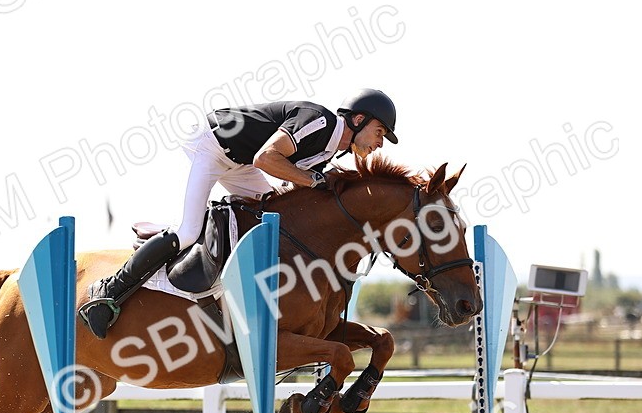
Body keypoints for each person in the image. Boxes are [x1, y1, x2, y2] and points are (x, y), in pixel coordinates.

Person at [78, 88, 400, 339]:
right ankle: (108, 292)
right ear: (358, 120)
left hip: (240, 162)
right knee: (188, 231)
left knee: (270, 215)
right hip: (213, 144)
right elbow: (266, 158)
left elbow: (289, 190)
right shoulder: (321, 121)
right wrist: (316, 181)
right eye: (379, 132)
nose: (379, 144)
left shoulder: (332, 149)